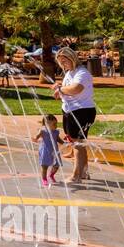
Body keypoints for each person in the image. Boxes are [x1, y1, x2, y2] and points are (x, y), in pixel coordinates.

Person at [52, 48, 96, 183]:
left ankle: (76, 176)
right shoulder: (70, 73)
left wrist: (60, 89)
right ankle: (84, 172)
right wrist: (60, 90)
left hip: (81, 111)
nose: (63, 64)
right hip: (70, 111)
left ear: (72, 58)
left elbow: (76, 89)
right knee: (78, 142)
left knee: (78, 144)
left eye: (65, 61)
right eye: (61, 62)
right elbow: (68, 89)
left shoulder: (82, 73)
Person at [33, 113, 64, 187]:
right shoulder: (43, 131)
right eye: (54, 124)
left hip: (55, 151)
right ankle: (44, 179)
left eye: (56, 124)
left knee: (57, 165)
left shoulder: (56, 132)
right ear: (47, 124)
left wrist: (65, 143)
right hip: (45, 150)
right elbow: (37, 136)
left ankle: (51, 175)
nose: (56, 126)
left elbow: (58, 139)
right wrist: (35, 138)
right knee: (45, 166)